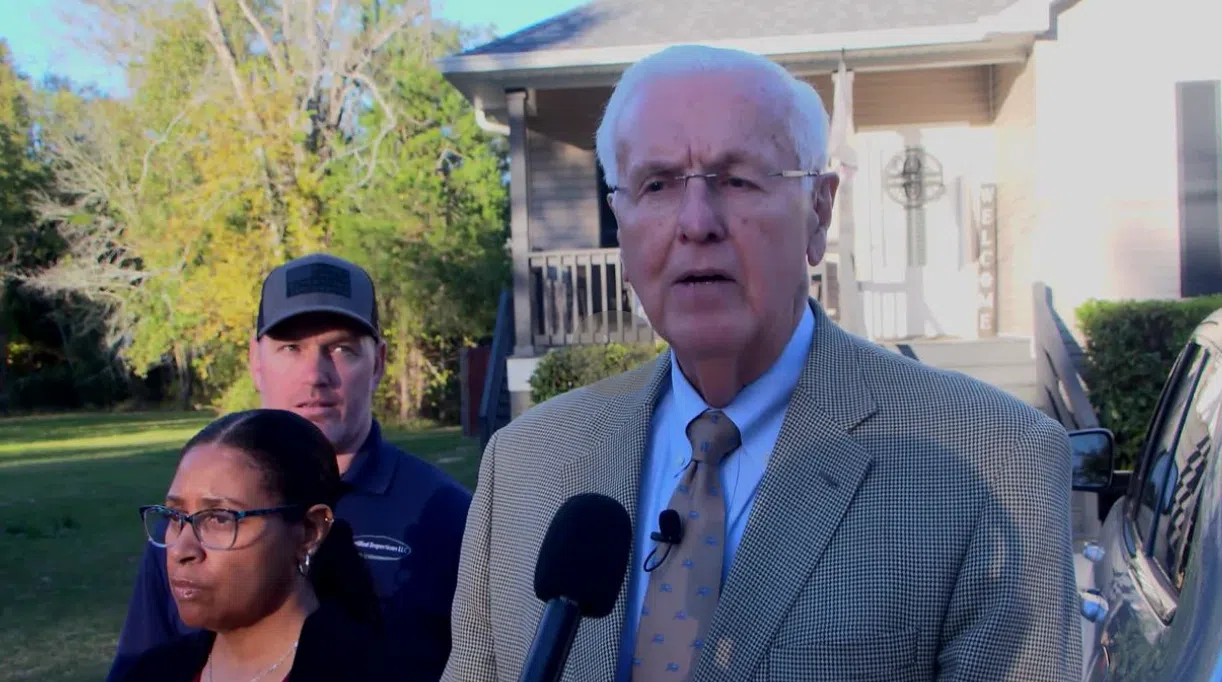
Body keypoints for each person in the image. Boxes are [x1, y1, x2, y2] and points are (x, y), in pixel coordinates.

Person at [441, 44, 1081, 682]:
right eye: (657, 184)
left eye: (738, 179)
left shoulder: (996, 462)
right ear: (621, 220)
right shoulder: (523, 465)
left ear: (820, 212)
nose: (696, 223)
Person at [109, 253, 471, 682]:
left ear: (378, 363)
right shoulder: (188, 523)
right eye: (290, 347)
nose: (315, 374)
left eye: (341, 348)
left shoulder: (450, 517)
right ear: (255, 361)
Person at [117, 409, 403, 681]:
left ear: (309, 531)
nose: (181, 550)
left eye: (219, 518)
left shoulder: (371, 672)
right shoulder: (151, 672)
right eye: (175, 516)